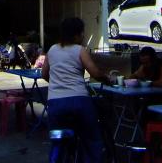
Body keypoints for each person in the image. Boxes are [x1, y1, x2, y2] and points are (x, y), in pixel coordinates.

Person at [42, 17, 111, 163]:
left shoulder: (52, 50)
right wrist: (107, 79)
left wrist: (57, 84)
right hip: (79, 102)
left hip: (55, 104)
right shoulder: (80, 50)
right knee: (91, 139)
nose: (83, 36)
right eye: (82, 33)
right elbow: (95, 73)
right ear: (76, 35)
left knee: (57, 141)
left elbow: (44, 74)